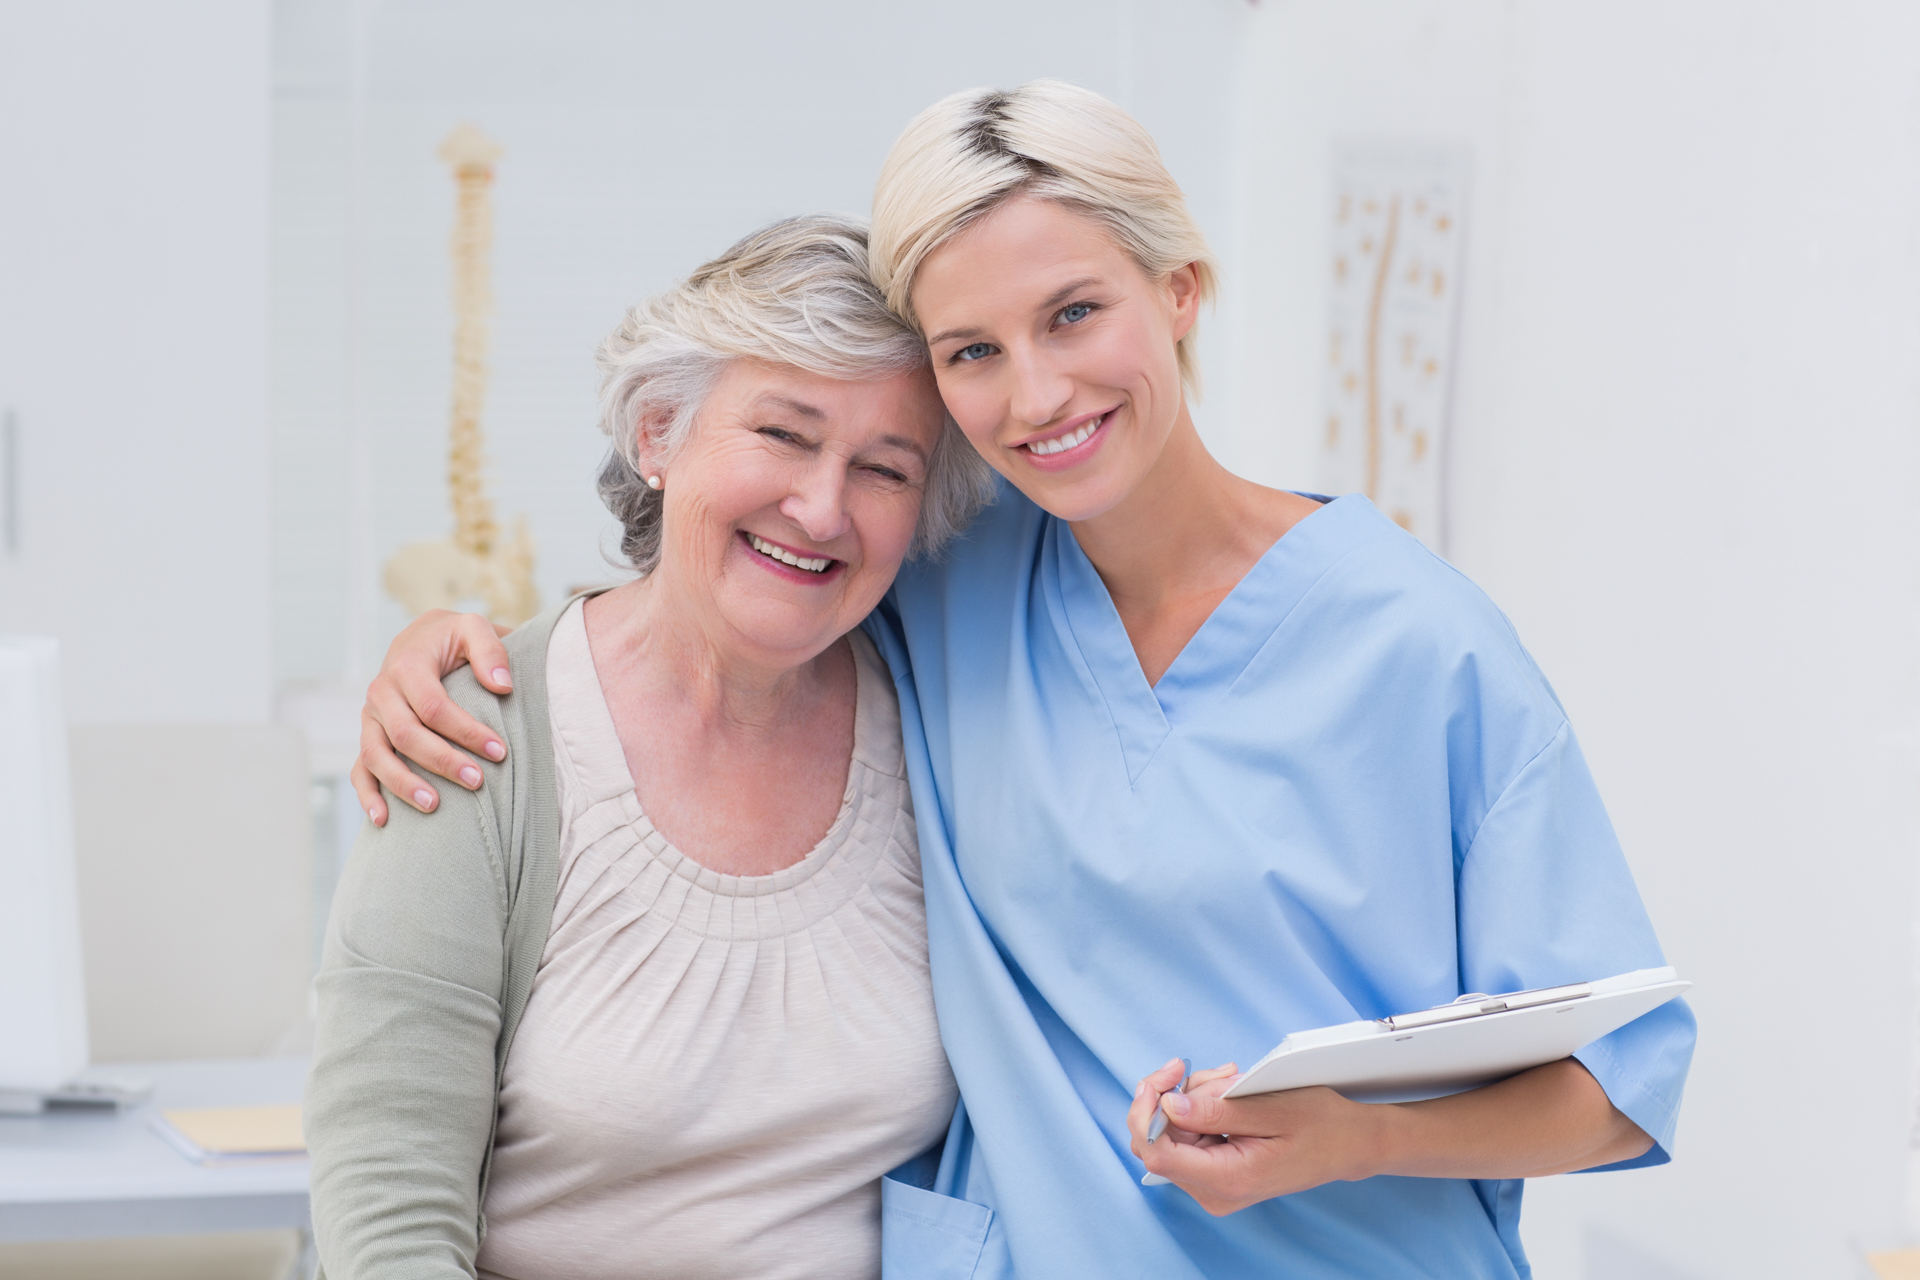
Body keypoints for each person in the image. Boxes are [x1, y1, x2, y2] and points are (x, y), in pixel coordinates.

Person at [352, 83, 1695, 1278]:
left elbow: (1625, 1084)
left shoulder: (1423, 648)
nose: (1036, 394)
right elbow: (734, 568)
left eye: (1073, 314)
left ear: (1179, 290)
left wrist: (1344, 1141)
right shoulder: (950, 577)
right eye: (972, 351)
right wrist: (463, 652)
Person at [305, 214, 995, 1280]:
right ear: (659, 433)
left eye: (885, 469)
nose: (820, 508)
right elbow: (390, 1222)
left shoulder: (945, 727)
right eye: (783, 433)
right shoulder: (480, 733)